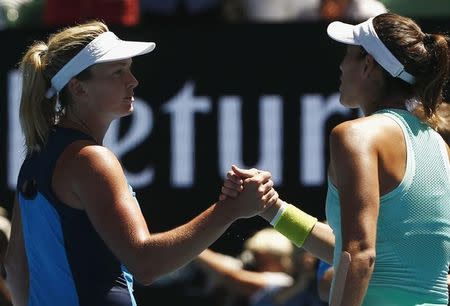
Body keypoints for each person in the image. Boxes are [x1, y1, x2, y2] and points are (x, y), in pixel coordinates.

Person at [3, 20, 279, 306]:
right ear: (78, 88)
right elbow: (145, 263)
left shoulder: (37, 157)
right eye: (117, 72)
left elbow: (15, 267)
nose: (132, 80)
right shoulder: (90, 160)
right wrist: (229, 210)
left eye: (129, 69)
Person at [221, 12, 450, 306]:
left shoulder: (355, 136)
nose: (341, 65)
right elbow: (367, 254)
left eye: (348, 55)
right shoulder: (439, 147)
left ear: (368, 65)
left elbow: (359, 254)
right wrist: (272, 208)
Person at [195, 227, 324, 306]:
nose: (254, 262)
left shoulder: (282, 281)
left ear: (274, 256)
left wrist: (193, 249)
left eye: (259, 256)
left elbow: (233, 277)